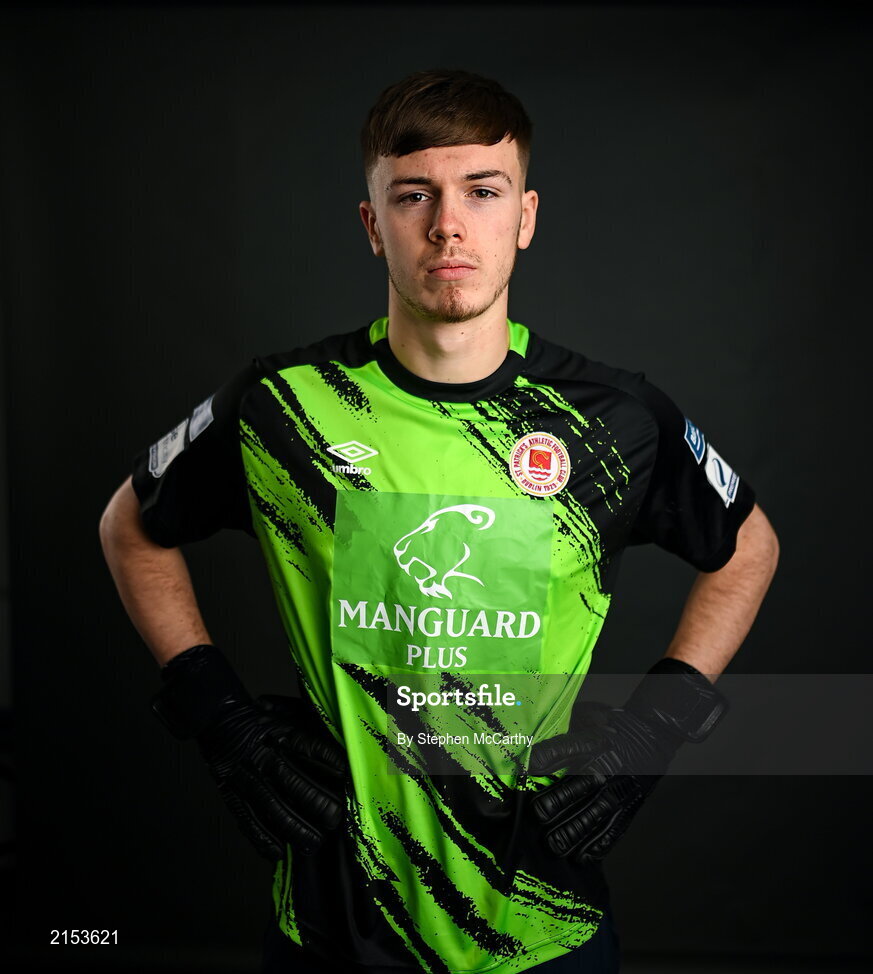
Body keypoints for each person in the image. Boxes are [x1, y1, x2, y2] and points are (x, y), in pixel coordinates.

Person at [99, 69, 779, 974]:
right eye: (412, 196)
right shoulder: (284, 405)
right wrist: (219, 715)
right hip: (333, 921)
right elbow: (129, 523)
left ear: (525, 218)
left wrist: (651, 729)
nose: (447, 225)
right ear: (373, 225)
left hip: (540, 924)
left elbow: (748, 546)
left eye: (481, 193)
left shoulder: (613, 418)